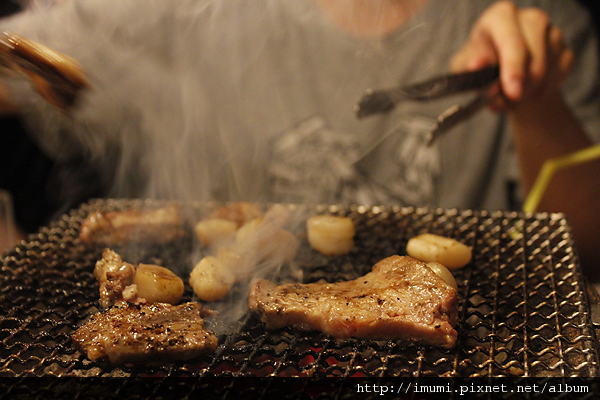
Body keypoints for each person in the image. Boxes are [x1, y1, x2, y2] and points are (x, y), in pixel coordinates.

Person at [0, 0, 599, 277]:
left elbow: (590, 258)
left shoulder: (540, 23)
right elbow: (23, 56)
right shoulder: (200, 11)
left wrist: (538, 102)